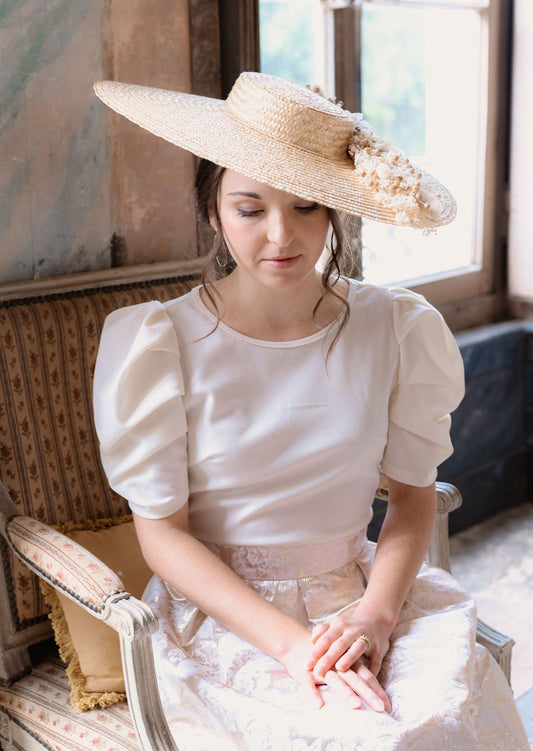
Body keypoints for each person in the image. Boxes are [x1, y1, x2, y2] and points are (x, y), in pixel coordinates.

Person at [92, 72, 528, 750]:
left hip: (361, 593)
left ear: (333, 212)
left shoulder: (395, 326)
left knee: (427, 726)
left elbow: (412, 498)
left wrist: (375, 618)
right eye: (249, 208)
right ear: (212, 209)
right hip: (223, 618)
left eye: (305, 206)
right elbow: (163, 537)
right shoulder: (159, 342)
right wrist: (297, 649)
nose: (280, 235)